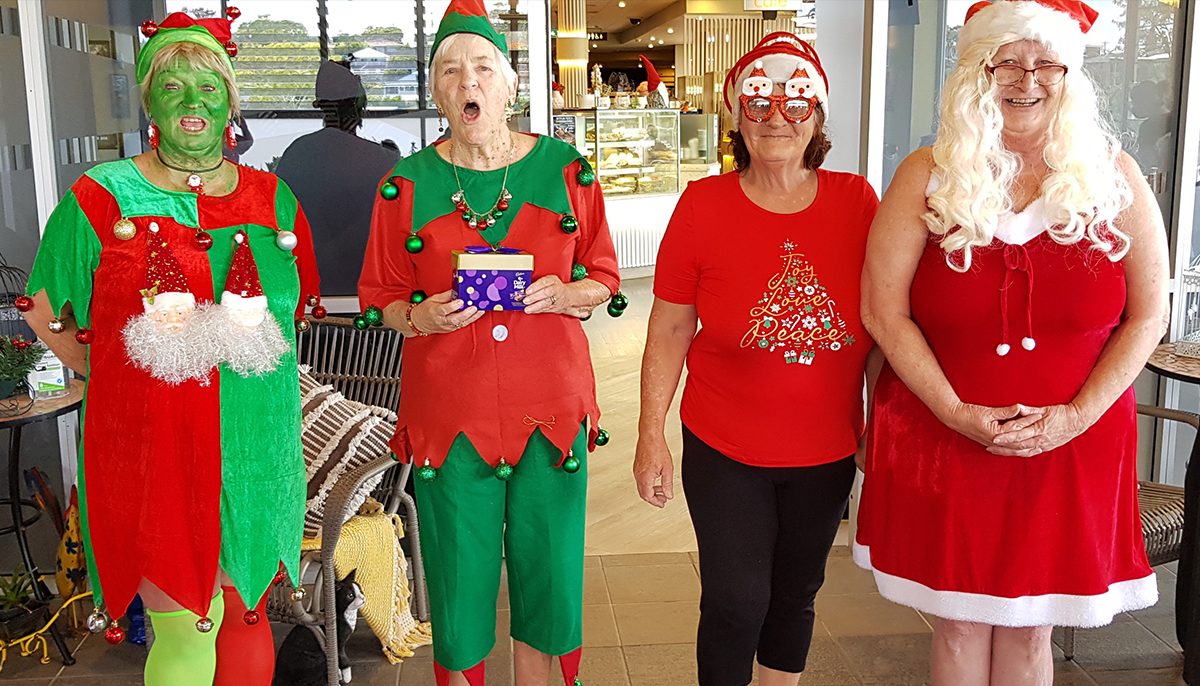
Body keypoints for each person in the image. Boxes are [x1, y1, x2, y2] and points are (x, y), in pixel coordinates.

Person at [854, 1, 1169, 684]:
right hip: (943, 438)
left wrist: (1076, 417)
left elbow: (1149, 316)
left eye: (1045, 62)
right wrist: (951, 410)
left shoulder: (1115, 179)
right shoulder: (925, 177)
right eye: (1005, 61)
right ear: (976, 71)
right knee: (961, 623)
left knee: (1031, 631)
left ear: (1069, 73)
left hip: (1070, 443)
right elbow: (882, 311)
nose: (1026, 78)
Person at [18, 8, 319, 686]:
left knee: (245, 615)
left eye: (209, 89)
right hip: (151, 445)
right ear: (147, 97)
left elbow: (293, 307)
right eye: (174, 86)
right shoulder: (101, 198)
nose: (193, 103)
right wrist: (105, 369)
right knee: (185, 626)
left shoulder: (275, 201)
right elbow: (41, 307)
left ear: (231, 105)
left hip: (255, 446)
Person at [357, 1, 620, 684]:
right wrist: (421, 319)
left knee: (551, 576)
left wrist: (569, 295)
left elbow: (606, 276)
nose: (467, 81)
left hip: (552, 416)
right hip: (449, 420)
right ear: (437, 93)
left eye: (481, 67)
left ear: (509, 85)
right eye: (450, 71)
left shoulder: (568, 170)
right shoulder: (404, 185)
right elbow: (378, 298)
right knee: (458, 579)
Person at [634, 32, 881, 686]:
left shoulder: (860, 203)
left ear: (818, 116)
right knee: (736, 601)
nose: (776, 116)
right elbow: (669, 328)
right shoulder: (702, 206)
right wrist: (649, 434)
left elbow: (885, 328)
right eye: (759, 102)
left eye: (796, 103)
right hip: (724, 445)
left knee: (795, 594)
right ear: (736, 115)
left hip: (826, 446)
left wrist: (880, 425)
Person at [276, 59, 399, 297]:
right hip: (370, 296)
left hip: (311, 295)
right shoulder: (383, 159)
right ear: (357, 108)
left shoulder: (298, 152)